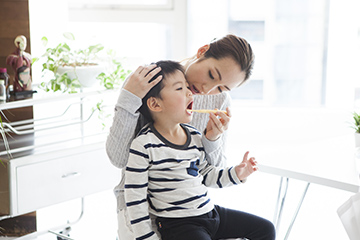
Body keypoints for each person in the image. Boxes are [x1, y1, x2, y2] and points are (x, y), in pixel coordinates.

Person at [106, 34, 272, 239]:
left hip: (193, 209)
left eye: (221, 87)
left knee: (265, 229)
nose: (206, 90)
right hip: (141, 210)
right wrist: (128, 100)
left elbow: (210, 170)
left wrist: (212, 139)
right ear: (202, 51)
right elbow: (119, 158)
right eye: (212, 75)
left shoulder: (219, 100)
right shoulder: (149, 81)